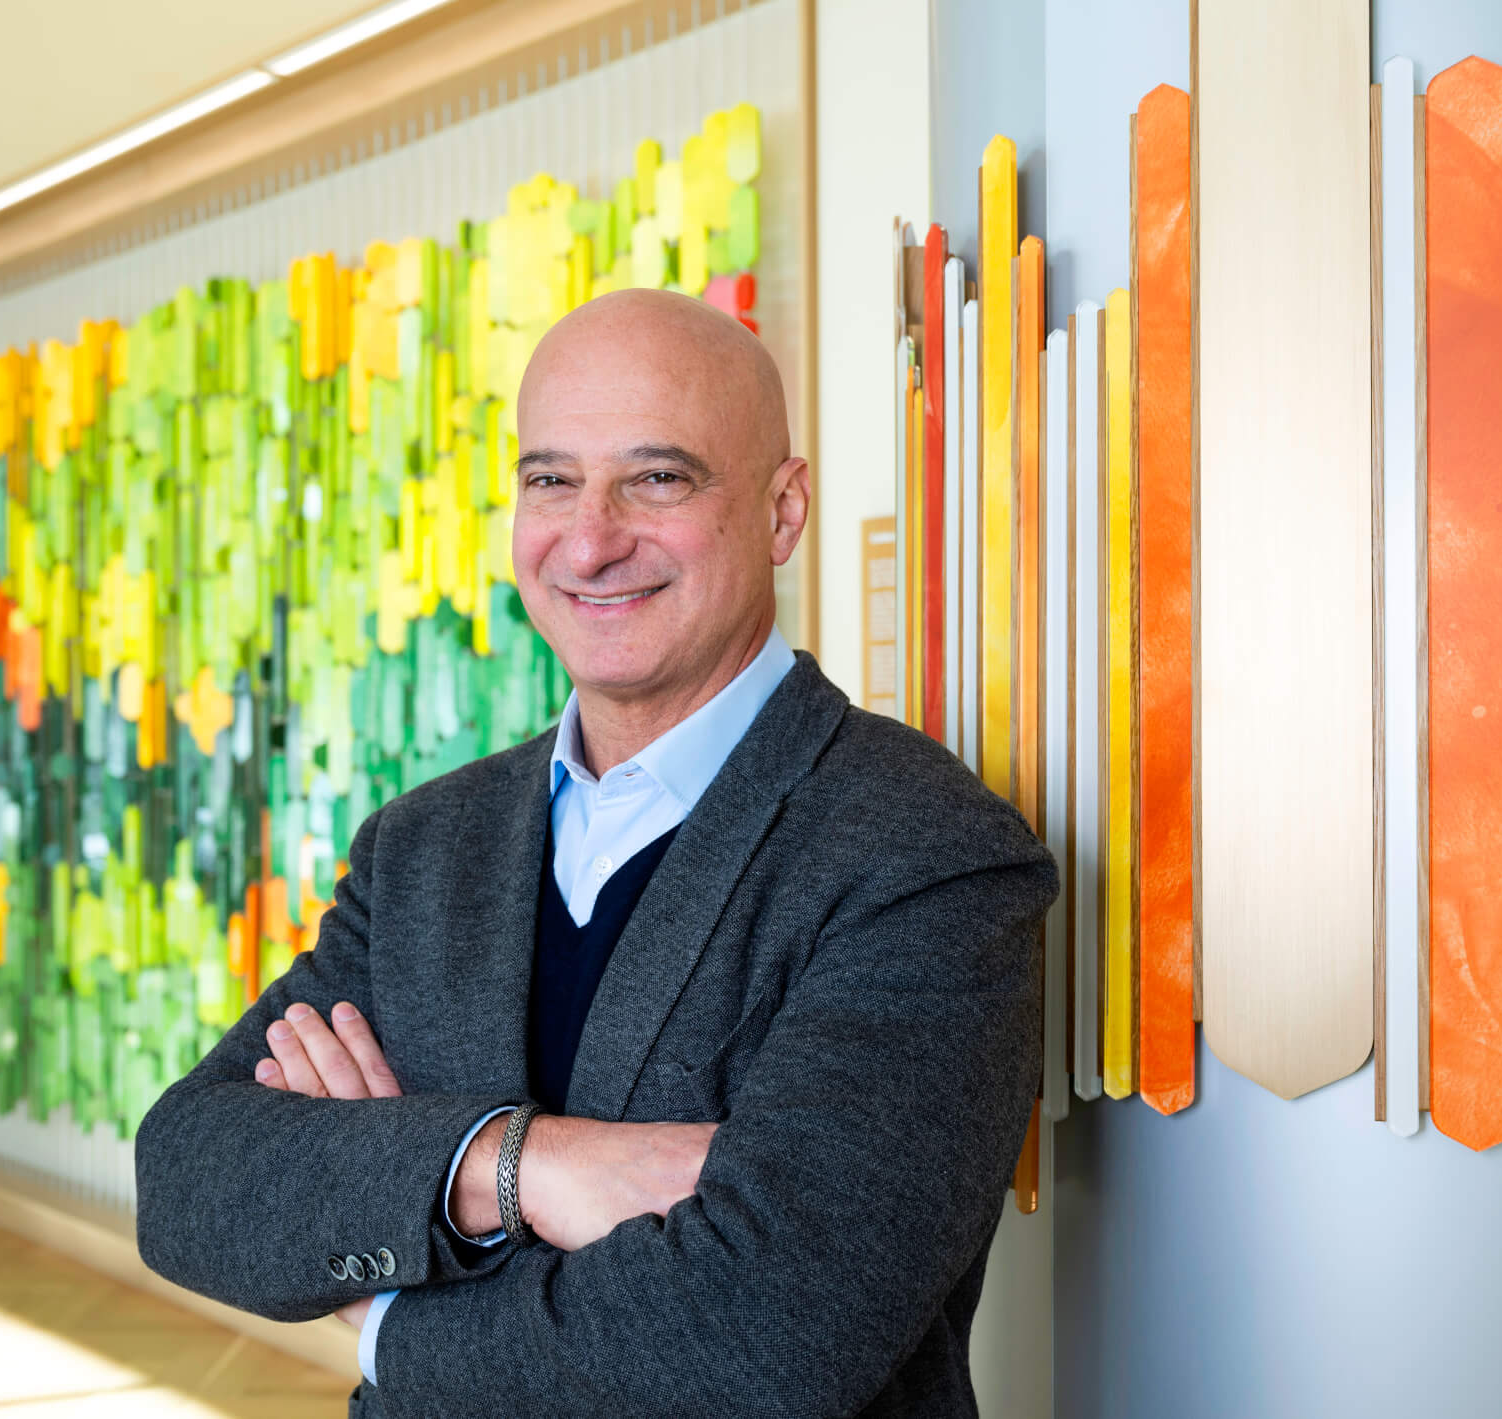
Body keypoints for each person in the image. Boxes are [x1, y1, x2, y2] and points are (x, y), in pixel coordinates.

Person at [134, 288, 1059, 1418]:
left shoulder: (925, 855)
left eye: (657, 477)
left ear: (781, 511)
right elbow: (188, 1179)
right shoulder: (424, 847)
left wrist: (386, 1314)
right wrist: (522, 1164)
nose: (588, 536)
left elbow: (761, 1335)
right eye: (550, 479)